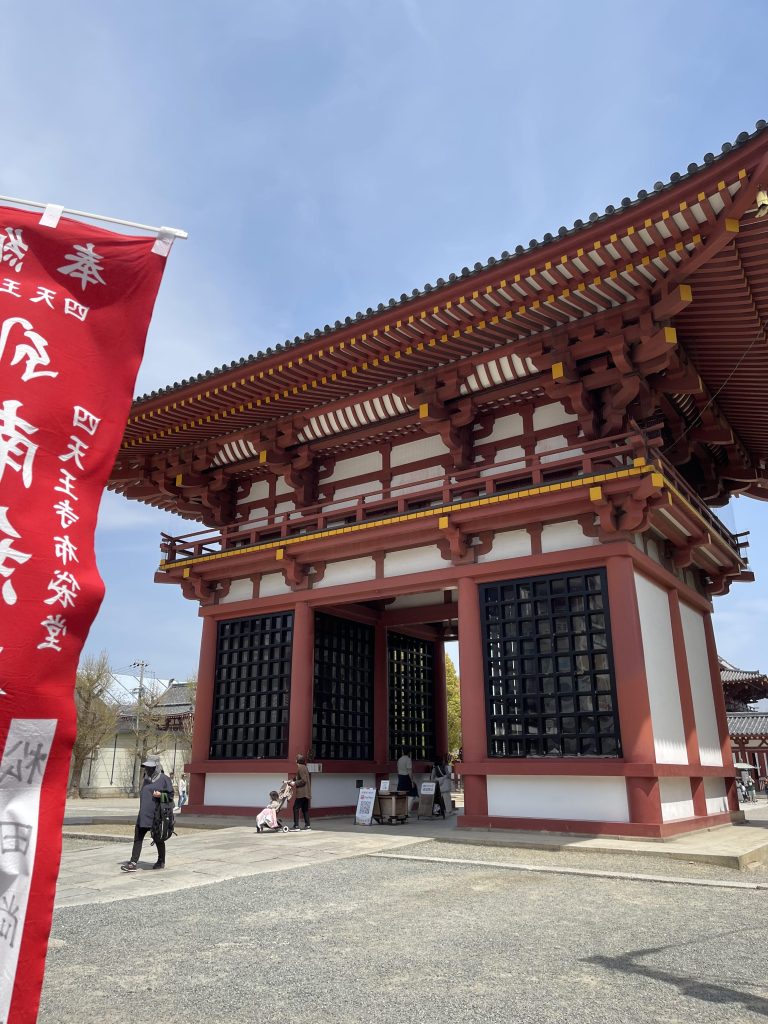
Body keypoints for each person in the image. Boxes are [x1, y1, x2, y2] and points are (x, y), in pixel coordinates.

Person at [121, 759, 174, 872]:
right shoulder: (146, 779)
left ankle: (161, 861)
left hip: (157, 816)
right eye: (146, 767)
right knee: (138, 838)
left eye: (150, 767)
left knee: (158, 839)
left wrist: (161, 795)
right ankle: (133, 863)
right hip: (143, 815)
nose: (147, 769)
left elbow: (170, 797)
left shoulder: (165, 779)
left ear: (157, 767)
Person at [290, 753, 311, 831]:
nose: (295, 760)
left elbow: (303, 780)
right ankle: (307, 825)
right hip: (306, 792)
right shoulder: (304, 767)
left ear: (298, 761)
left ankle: (296, 826)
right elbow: (298, 777)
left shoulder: (300, 767)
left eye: (296, 759)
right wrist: (292, 780)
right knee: (305, 809)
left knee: (295, 808)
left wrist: (295, 783)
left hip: (302, 792)